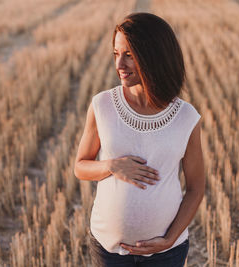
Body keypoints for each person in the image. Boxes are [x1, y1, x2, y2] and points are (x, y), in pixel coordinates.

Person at [74, 12, 205, 267]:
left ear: (154, 56)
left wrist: (170, 239)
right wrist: (111, 166)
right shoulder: (102, 105)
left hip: (166, 254)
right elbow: (80, 166)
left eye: (129, 55)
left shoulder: (186, 117)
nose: (119, 64)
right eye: (116, 54)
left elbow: (196, 188)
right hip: (108, 251)